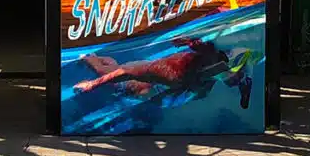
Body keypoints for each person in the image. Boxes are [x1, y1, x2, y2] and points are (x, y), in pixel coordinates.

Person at [73, 37, 257, 108]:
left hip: (183, 80)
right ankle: (88, 57)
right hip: (169, 74)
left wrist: (189, 42)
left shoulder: (211, 70)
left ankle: (96, 59)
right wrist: (91, 85)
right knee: (109, 75)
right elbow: (124, 71)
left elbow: (205, 47)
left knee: (131, 87)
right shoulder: (169, 72)